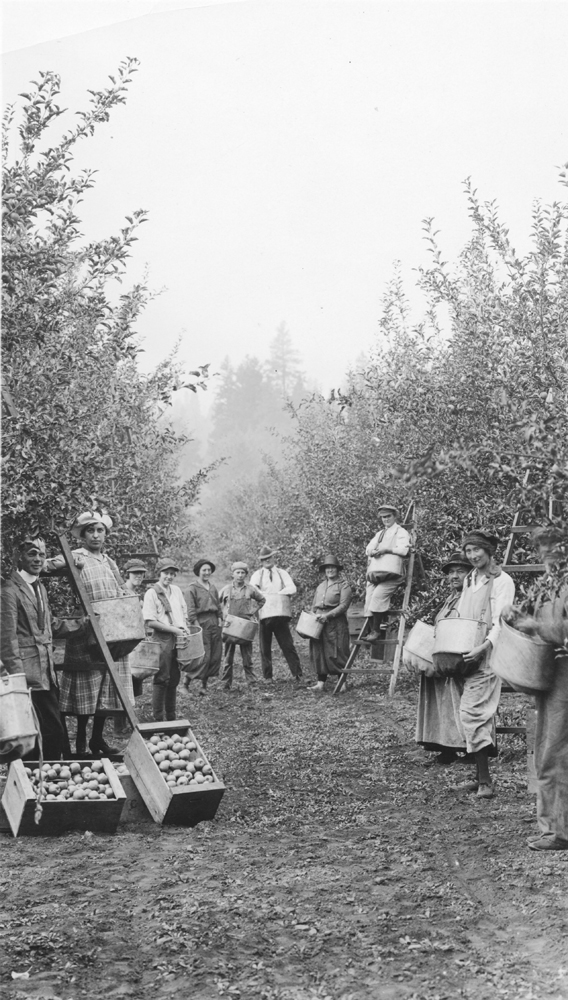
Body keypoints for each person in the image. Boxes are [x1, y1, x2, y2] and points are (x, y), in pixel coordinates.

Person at [46, 510, 135, 757]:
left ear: (105, 534)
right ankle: (80, 744)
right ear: (82, 536)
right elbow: (47, 564)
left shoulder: (109, 561)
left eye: (100, 530)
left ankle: (98, 740)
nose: (96, 535)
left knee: (108, 686)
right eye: (90, 531)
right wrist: (65, 562)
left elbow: (119, 589)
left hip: (114, 629)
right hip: (89, 627)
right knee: (87, 686)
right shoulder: (76, 556)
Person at [504, 527, 568, 851]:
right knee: (546, 751)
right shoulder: (550, 586)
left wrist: (539, 626)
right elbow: (540, 625)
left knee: (556, 755)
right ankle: (552, 827)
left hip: (565, 680)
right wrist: (520, 618)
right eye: (542, 548)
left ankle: (559, 833)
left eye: (552, 547)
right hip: (551, 678)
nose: (546, 554)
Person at [1, 534, 85, 760]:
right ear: (18, 557)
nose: (38, 559)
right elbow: (7, 639)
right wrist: (17, 679)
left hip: (46, 673)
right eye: (32, 553)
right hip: (26, 676)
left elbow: (50, 625)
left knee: (50, 731)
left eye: (42, 554)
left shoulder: (39, 588)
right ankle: (32, 783)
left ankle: (44, 780)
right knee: (36, 733)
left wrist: (82, 624)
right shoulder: (9, 591)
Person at [451, 529, 515, 799]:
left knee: (472, 713)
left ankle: (486, 782)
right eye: (468, 551)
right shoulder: (470, 580)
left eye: (477, 550)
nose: (473, 555)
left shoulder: (502, 581)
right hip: (465, 656)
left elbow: (502, 621)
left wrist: (484, 647)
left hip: (488, 656)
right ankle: (479, 778)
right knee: (470, 716)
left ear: (489, 551)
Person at [415, 551, 471, 764]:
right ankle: (445, 747)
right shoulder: (450, 598)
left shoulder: (471, 598)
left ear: (470, 574)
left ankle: (468, 749)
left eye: (460, 571)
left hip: (459, 656)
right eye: (451, 572)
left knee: (458, 702)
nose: (454, 576)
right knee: (440, 702)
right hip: (442, 656)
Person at [143, 558, 188, 721]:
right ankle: (158, 718)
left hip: (178, 638)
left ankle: (171, 716)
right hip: (162, 638)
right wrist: (173, 629)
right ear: (159, 573)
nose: (169, 577)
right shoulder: (152, 593)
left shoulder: (176, 590)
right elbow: (150, 621)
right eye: (166, 573)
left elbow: (183, 610)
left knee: (175, 677)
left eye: (172, 574)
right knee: (162, 678)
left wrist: (184, 626)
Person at [250, 545, 302, 683]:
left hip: (280, 613)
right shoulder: (257, 575)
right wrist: (265, 596)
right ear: (261, 561)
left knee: (288, 644)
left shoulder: (281, 573)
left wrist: (276, 594)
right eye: (264, 559)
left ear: (273, 558)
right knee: (264, 647)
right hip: (264, 614)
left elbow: (292, 588)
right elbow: (252, 590)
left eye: (269, 557)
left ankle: (298, 674)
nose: (267, 560)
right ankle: (268, 677)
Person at [363, 504, 411, 647]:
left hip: (393, 573)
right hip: (378, 571)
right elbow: (368, 548)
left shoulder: (400, 532)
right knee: (369, 595)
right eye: (383, 517)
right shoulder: (380, 534)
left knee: (378, 595)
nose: (386, 520)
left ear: (394, 516)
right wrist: (373, 551)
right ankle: (371, 630)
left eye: (388, 516)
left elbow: (404, 551)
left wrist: (387, 549)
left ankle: (376, 630)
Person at [309, 554, 353, 694]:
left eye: (333, 567)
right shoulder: (320, 586)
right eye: (327, 567)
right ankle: (320, 683)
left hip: (336, 623)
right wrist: (312, 616)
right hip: (319, 622)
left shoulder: (344, 586)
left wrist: (327, 616)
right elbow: (314, 605)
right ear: (324, 570)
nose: (330, 570)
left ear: (337, 569)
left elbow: (343, 606)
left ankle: (343, 683)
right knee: (319, 650)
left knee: (337, 651)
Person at [219, 561, 265, 690]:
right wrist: (222, 615)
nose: (240, 575)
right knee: (228, 657)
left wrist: (253, 611)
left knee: (247, 657)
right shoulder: (226, 589)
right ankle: (225, 683)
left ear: (246, 574)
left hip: (245, 627)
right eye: (237, 572)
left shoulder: (250, 589)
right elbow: (216, 602)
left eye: (242, 573)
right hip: (230, 626)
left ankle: (252, 683)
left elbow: (262, 600)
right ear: (232, 574)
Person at [185, 559, 223, 695]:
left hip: (214, 622)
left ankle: (203, 686)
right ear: (198, 572)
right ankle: (186, 682)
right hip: (201, 622)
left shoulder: (212, 587)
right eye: (204, 570)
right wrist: (196, 627)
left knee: (214, 655)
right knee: (204, 655)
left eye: (209, 570)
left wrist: (220, 620)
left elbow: (218, 606)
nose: (207, 573)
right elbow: (190, 610)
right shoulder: (192, 589)